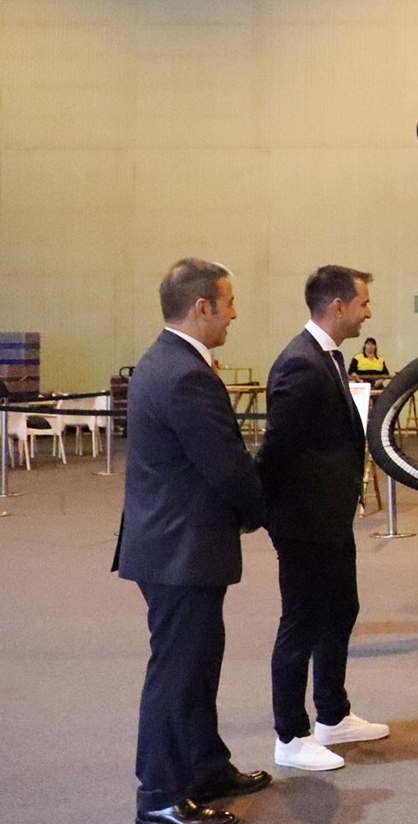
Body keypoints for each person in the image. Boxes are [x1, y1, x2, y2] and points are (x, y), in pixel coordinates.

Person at [113, 258, 272, 824]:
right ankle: (158, 795)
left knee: (200, 662)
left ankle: (205, 767)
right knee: (178, 671)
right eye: (228, 303)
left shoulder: (167, 361)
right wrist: (265, 512)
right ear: (201, 308)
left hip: (175, 545)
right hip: (179, 549)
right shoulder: (182, 372)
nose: (234, 313)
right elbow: (225, 467)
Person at [257, 266, 389, 772]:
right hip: (304, 524)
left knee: (341, 611)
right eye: (363, 303)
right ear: (338, 306)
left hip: (332, 520)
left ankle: (332, 715)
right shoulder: (300, 364)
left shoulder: (328, 359)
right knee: (301, 623)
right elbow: (278, 453)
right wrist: (282, 520)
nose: (368, 311)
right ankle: (289, 736)